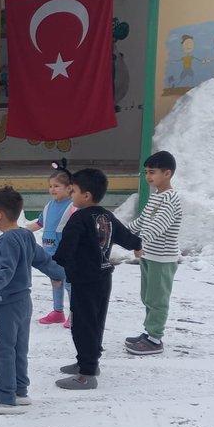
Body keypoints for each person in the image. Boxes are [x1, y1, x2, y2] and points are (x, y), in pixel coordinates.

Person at [52, 169, 142, 390]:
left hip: (84, 281)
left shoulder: (78, 218)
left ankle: (87, 373)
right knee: (95, 323)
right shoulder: (107, 216)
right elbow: (125, 236)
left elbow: (66, 248)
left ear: (86, 195)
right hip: (103, 279)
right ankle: (88, 361)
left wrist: (57, 264)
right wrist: (137, 245)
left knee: (82, 325)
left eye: (73, 191)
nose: (71, 195)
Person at [0, 186, 66, 413]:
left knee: (4, 349)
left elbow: (4, 272)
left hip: (6, 303)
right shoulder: (25, 235)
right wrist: (58, 274)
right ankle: (20, 390)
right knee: (19, 348)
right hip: (24, 303)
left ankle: (4, 396)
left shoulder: (5, 241)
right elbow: (43, 259)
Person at [125, 151, 183, 355]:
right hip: (149, 255)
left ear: (167, 174)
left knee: (158, 299)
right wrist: (121, 232)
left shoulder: (171, 199)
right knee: (148, 296)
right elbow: (142, 222)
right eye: (146, 172)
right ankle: (149, 332)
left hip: (162, 259)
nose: (148, 176)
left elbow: (157, 227)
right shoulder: (156, 196)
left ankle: (155, 339)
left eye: (152, 172)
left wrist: (137, 242)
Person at [25, 168, 75, 327]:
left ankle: (75, 313)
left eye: (57, 186)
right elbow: (39, 224)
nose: (52, 189)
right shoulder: (48, 206)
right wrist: (22, 231)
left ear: (69, 188)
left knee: (69, 283)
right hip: (50, 252)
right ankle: (58, 312)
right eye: (51, 186)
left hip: (67, 253)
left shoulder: (74, 206)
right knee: (56, 280)